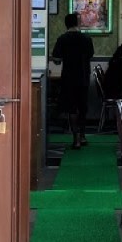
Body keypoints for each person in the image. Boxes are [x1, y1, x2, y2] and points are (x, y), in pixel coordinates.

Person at [51, 12, 95, 148]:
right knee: (82, 108)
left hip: (69, 78)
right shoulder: (86, 39)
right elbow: (91, 55)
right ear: (78, 23)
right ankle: (83, 136)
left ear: (66, 24)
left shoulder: (62, 39)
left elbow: (56, 59)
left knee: (72, 108)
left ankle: (75, 139)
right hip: (83, 77)